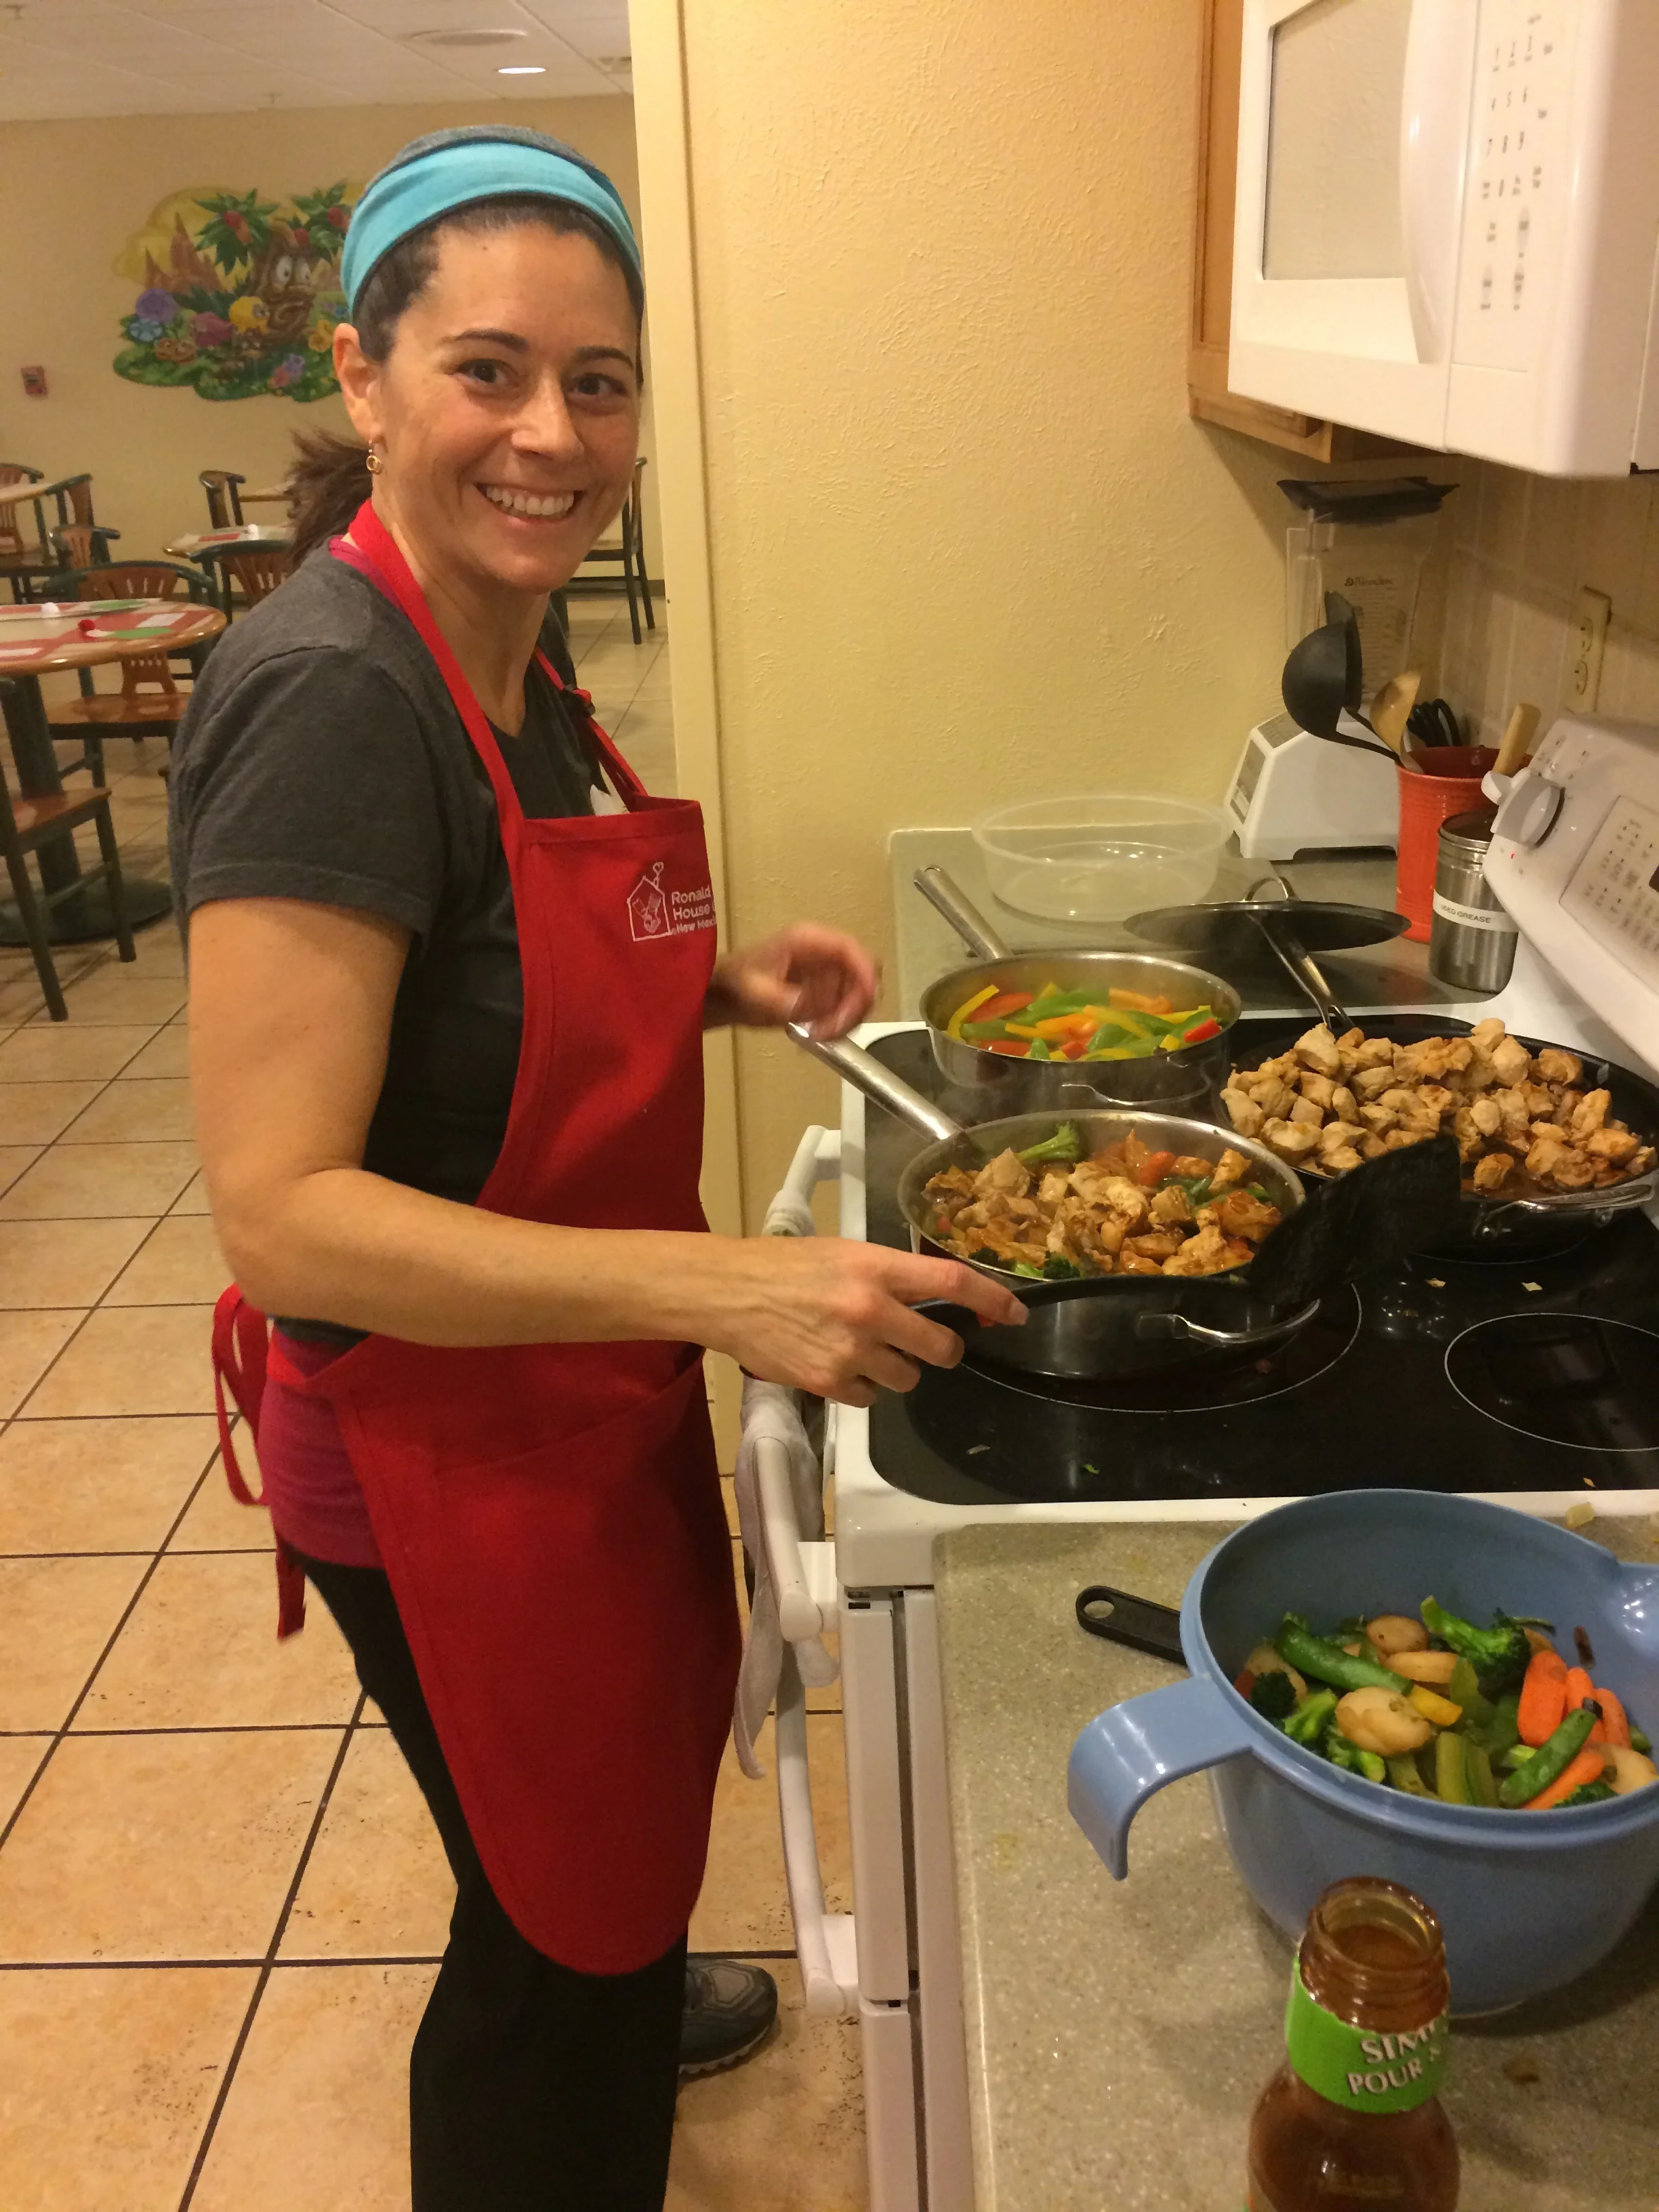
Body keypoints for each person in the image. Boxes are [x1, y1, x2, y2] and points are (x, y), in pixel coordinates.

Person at [169, 127, 1023, 2212]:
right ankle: (581, 2006)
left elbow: (470, 978)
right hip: (439, 1443)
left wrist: (714, 987)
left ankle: (619, 1955)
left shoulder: (509, 641)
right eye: (488, 371)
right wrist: (726, 1285)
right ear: (365, 379)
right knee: (541, 1946)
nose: (554, 433)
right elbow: (281, 1209)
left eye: (602, 380)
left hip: (564, 1396)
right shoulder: (329, 693)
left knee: (589, 1847)